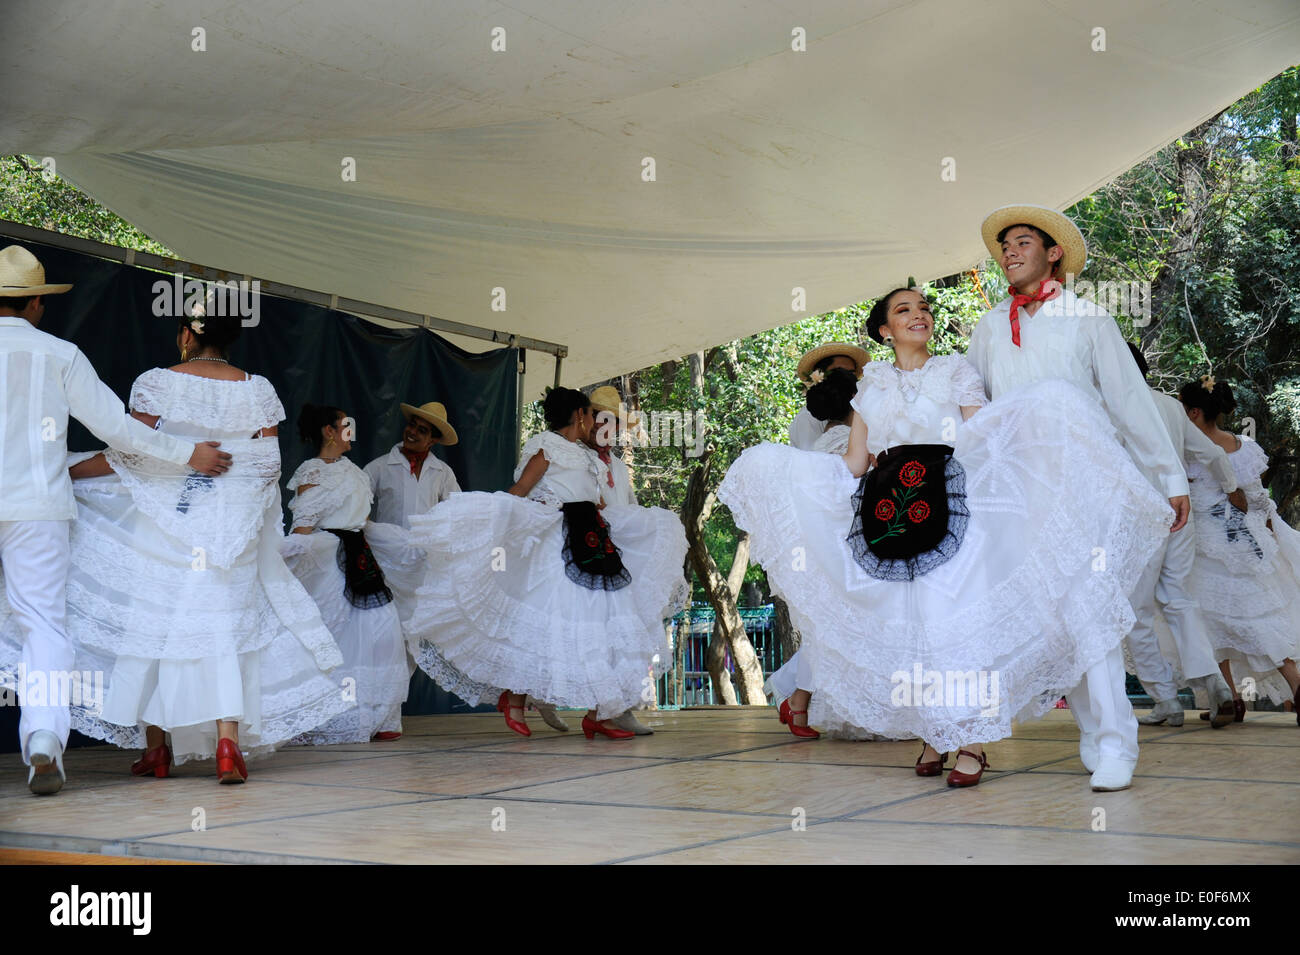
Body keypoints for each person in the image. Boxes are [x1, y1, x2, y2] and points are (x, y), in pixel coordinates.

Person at [719, 286, 1169, 789]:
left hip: (949, 503)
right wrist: (789, 475)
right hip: (888, 511)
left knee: (951, 625)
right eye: (904, 310)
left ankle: (971, 740)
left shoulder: (956, 370)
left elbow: (982, 437)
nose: (919, 315)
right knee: (913, 628)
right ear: (885, 331)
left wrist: (1043, 423)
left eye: (924, 308)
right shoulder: (870, 383)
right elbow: (855, 460)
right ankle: (935, 731)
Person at [2, 303, 349, 785]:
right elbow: (267, 467)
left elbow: (131, 453)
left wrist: (64, 468)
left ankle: (157, 750)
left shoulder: (158, 382)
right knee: (223, 629)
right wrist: (229, 508)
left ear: (186, 334)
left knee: (157, 625)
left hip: (165, 524)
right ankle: (228, 743)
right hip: (231, 529)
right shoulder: (259, 390)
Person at [967, 204, 1191, 791]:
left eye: (1020, 242)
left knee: (1090, 608)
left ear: (1053, 252)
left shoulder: (1090, 320)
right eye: (1004, 246)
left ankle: (1118, 741)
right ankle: (1092, 731)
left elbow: (1131, 404)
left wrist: (1171, 478)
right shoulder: (990, 326)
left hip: (1082, 483)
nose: (1009, 252)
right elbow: (971, 410)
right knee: (1053, 618)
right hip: (1017, 493)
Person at [0, 245, 229, 795]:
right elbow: (118, 429)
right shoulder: (59, 354)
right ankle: (43, 740)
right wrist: (186, 454)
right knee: (43, 624)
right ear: (35, 303)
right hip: (36, 507)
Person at [406, 387, 689, 739]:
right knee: (548, 624)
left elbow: (595, 502)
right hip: (560, 546)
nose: (593, 423)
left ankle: (602, 711)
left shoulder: (587, 458)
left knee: (601, 625)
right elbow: (520, 491)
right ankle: (517, 696)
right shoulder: (546, 446)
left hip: (594, 545)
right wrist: (485, 524)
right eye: (590, 415)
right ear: (579, 416)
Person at [1122, 344, 1244, 728]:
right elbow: (1213, 454)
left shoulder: (1110, 408)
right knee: (1179, 599)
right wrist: (1231, 489)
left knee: (1137, 614)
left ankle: (1166, 700)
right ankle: (1215, 685)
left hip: (1137, 517)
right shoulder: (1171, 407)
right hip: (1180, 510)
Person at [283, 404, 419, 743]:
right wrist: (285, 565)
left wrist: (407, 542)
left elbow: (363, 523)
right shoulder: (312, 472)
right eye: (345, 426)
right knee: (338, 637)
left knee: (382, 635)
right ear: (329, 432)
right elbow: (303, 528)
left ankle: (380, 715)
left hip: (361, 560)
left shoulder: (355, 471)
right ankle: (333, 718)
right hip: (329, 562)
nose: (351, 432)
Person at [1179, 377, 1300, 723]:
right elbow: (1257, 500)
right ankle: (1275, 689)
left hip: (1207, 547)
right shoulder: (1239, 445)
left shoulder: (1187, 451)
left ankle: (1230, 698)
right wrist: (1264, 531)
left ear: (1195, 412)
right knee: (1253, 616)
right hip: (1240, 543)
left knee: (1210, 621)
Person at [363, 401, 460, 529]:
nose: (412, 432)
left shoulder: (443, 472)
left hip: (426, 548)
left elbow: (458, 510)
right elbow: (356, 501)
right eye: (412, 425)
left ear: (433, 440)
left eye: (422, 430)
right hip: (388, 548)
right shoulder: (379, 466)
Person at [788, 343, 868, 450]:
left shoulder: (856, 410)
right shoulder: (807, 418)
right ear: (821, 376)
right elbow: (813, 459)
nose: (845, 376)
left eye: (850, 373)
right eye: (838, 371)